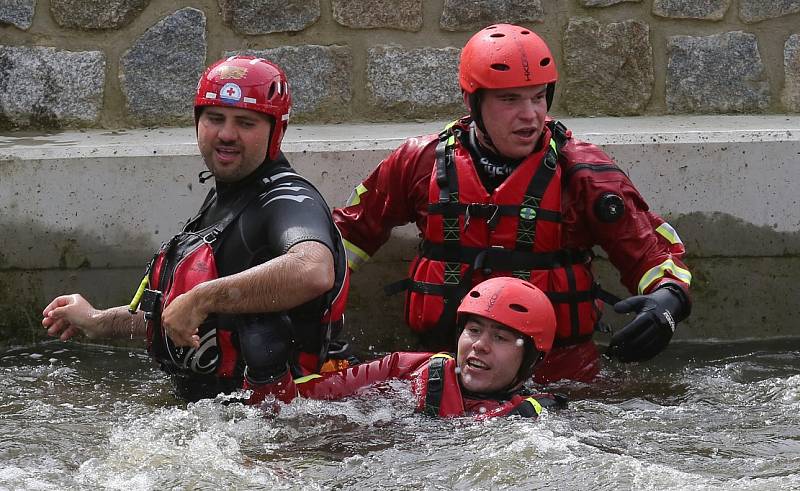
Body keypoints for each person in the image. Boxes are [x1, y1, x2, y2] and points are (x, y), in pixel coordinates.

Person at [332, 24, 692, 383]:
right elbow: (344, 238)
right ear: (472, 101)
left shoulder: (585, 174)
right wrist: (320, 317)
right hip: (443, 371)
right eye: (510, 100)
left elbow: (654, 256)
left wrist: (669, 303)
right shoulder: (419, 161)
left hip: (558, 380)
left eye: (538, 97)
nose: (530, 114)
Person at [41, 56, 350, 405]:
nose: (227, 135)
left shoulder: (288, 200)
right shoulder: (223, 200)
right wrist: (98, 321)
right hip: (221, 420)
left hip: (294, 422)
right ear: (198, 123)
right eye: (215, 119)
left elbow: (313, 270)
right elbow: (189, 324)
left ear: (276, 130)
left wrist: (201, 298)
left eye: (245, 123)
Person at [296, 277, 566, 419]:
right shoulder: (404, 369)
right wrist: (267, 374)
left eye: (500, 338)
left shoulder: (529, 419)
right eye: (473, 330)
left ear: (531, 358)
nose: (480, 345)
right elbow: (298, 399)